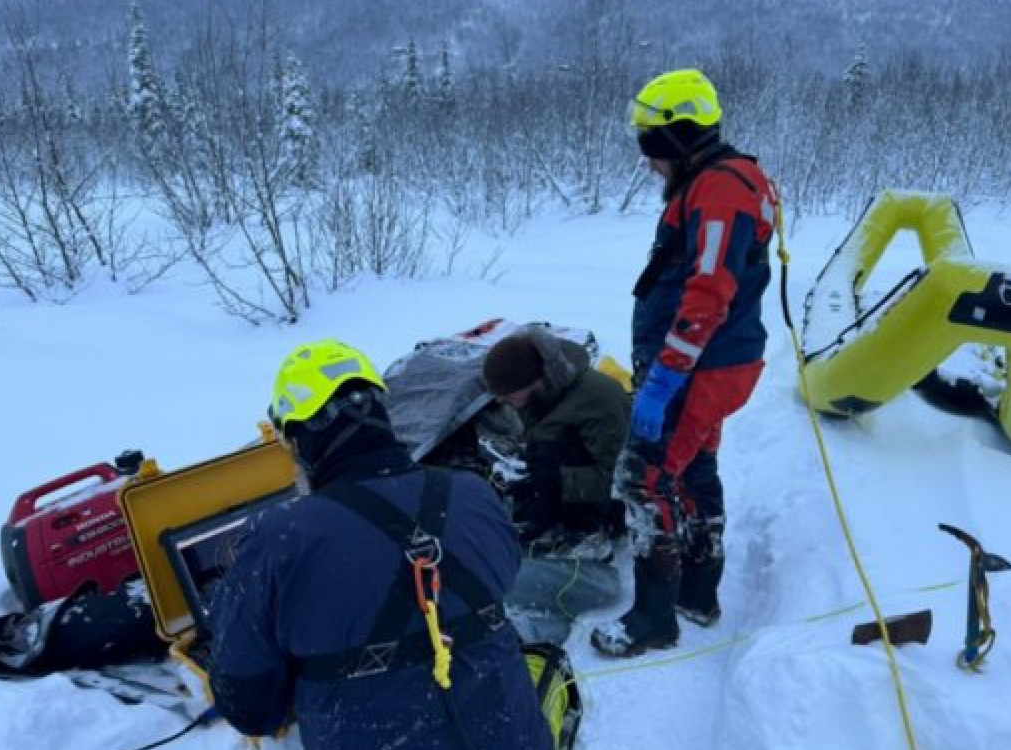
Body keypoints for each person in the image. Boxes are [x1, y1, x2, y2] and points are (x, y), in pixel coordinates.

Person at [207, 340, 553, 749]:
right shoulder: (475, 495)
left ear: (299, 439)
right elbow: (500, 578)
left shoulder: (278, 536)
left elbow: (249, 707)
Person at [590, 69, 776, 658]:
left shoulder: (720, 189)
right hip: (713, 361)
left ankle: (653, 619)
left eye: (652, 145)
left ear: (680, 137)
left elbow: (710, 289)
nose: (648, 162)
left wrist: (667, 375)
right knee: (693, 468)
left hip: (700, 365)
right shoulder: (719, 181)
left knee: (645, 478)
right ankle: (698, 592)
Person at [481, 326, 631, 645]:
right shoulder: (546, 394)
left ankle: (584, 538)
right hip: (563, 482)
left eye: (507, 394)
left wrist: (553, 485)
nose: (503, 402)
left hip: (606, 503)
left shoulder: (598, 400)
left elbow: (616, 478)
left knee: (548, 464)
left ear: (531, 381)